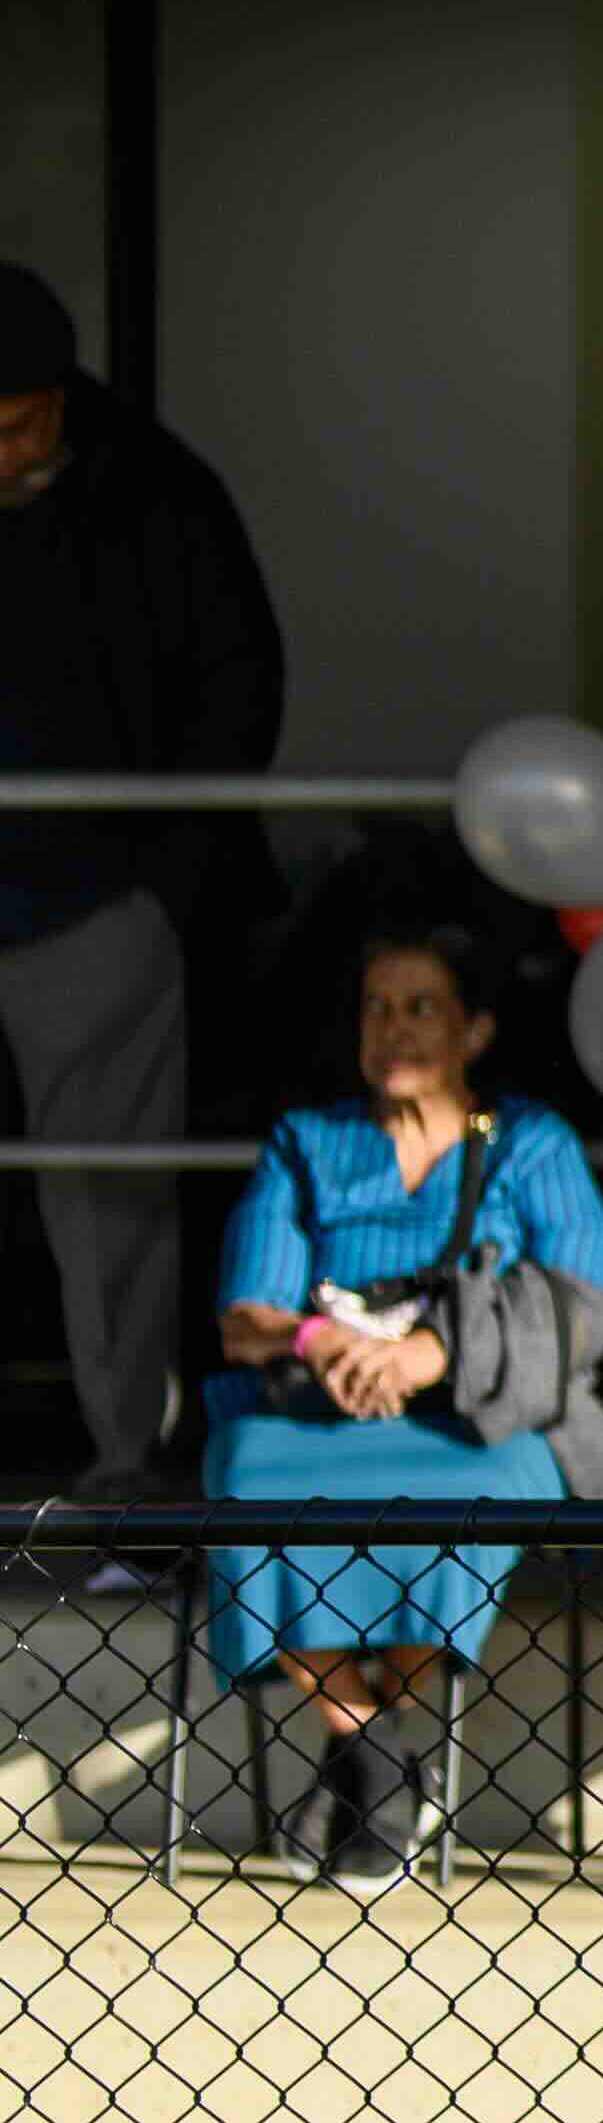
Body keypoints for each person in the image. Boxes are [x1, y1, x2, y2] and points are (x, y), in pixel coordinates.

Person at [199, 922, 603, 1894]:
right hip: (318, 1413)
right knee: (245, 1482)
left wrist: (433, 1354)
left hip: (472, 1422)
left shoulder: (532, 1143)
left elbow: (582, 1303)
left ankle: (361, 1769)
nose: (393, 1028)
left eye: (420, 1007)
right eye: (377, 1008)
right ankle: (376, 1747)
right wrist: (319, 1339)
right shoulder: (307, 1142)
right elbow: (245, 1316)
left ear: (474, 1030)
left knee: (478, 1503)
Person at [0, 257, 284, 1505]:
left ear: (61, 400)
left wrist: (157, 886)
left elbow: (239, 684)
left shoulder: (158, 494)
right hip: (83, 889)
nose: (1, 455)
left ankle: (124, 1471)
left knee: (108, 1202)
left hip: (93, 905)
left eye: (17, 427)